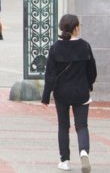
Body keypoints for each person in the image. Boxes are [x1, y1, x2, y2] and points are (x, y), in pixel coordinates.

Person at [42, 14, 97, 173]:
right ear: (76, 28)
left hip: (61, 93)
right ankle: (84, 152)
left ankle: (65, 160)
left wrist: (46, 97)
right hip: (81, 92)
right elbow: (92, 71)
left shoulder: (55, 48)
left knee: (63, 126)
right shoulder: (85, 46)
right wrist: (89, 85)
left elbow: (50, 75)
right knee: (82, 125)